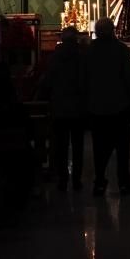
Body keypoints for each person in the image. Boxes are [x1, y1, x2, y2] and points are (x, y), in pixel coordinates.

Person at [86, 18, 130, 196]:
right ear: (113, 30)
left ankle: (99, 181)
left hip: (96, 107)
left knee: (99, 147)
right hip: (119, 106)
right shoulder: (120, 49)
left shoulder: (89, 50)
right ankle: (123, 182)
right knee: (122, 147)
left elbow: (84, 78)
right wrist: (129, 97)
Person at [46, 27, 86, 191]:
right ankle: (76, 179)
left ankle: (62, 178)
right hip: (77, 106)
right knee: (78, 145)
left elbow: (49, 79)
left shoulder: (55, 56)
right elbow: (86, 79)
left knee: (61, 145)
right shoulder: (82, 56)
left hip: (60, 106)